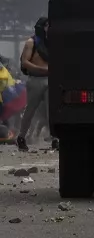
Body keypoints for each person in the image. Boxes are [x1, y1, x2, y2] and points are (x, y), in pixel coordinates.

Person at [16, 17, 50, 153]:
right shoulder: (31, 42)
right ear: (41, 27)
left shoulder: (53, 43)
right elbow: (25, 62)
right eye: (47, 26)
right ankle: (21, 137)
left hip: (50, 80)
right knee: (30, 111)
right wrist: (42, 70)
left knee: (50, 111)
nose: (49, 29)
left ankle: (55, 139)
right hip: (35, 80)